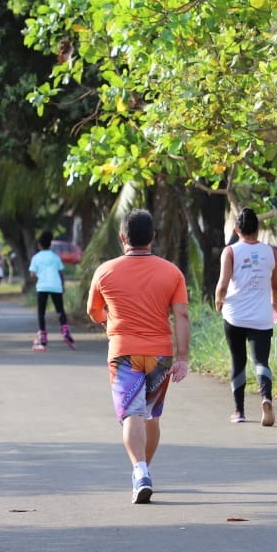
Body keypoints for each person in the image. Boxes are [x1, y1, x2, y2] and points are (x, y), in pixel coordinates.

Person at [87, 208, 190, 504]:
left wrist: (110, 319)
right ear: (153, 237)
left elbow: (93, 311)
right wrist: (183, 357)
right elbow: (181, 314)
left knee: (132, 414)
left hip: (123, 354)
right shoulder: (172, 272)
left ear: (122, 238)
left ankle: (140, 470)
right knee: (151, 415)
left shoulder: (105, 272)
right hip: (160, 354)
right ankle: (143, 471)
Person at [213, 208, 277, 426]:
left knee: (238, 361)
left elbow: (222, 285)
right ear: (258, 229)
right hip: (261, 317)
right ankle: (266, 398)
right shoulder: (271, 252)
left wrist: (218, 301)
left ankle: (239, 411)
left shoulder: (231, 252)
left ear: (237, 229)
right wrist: (273, 305)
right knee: (261, 360)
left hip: (235, 316)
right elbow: (276, 286)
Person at [28, 230, 75, 351]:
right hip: (56, 285)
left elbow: (32, 274)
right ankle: (65, 332)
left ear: (39, 245)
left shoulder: (36, 257)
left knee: (41, 312)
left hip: (42, 286)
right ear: (50, 245)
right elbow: (61, 273)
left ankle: (42, 337)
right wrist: (63, 286)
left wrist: (37, 277)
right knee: (60, 310)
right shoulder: (55, 257)